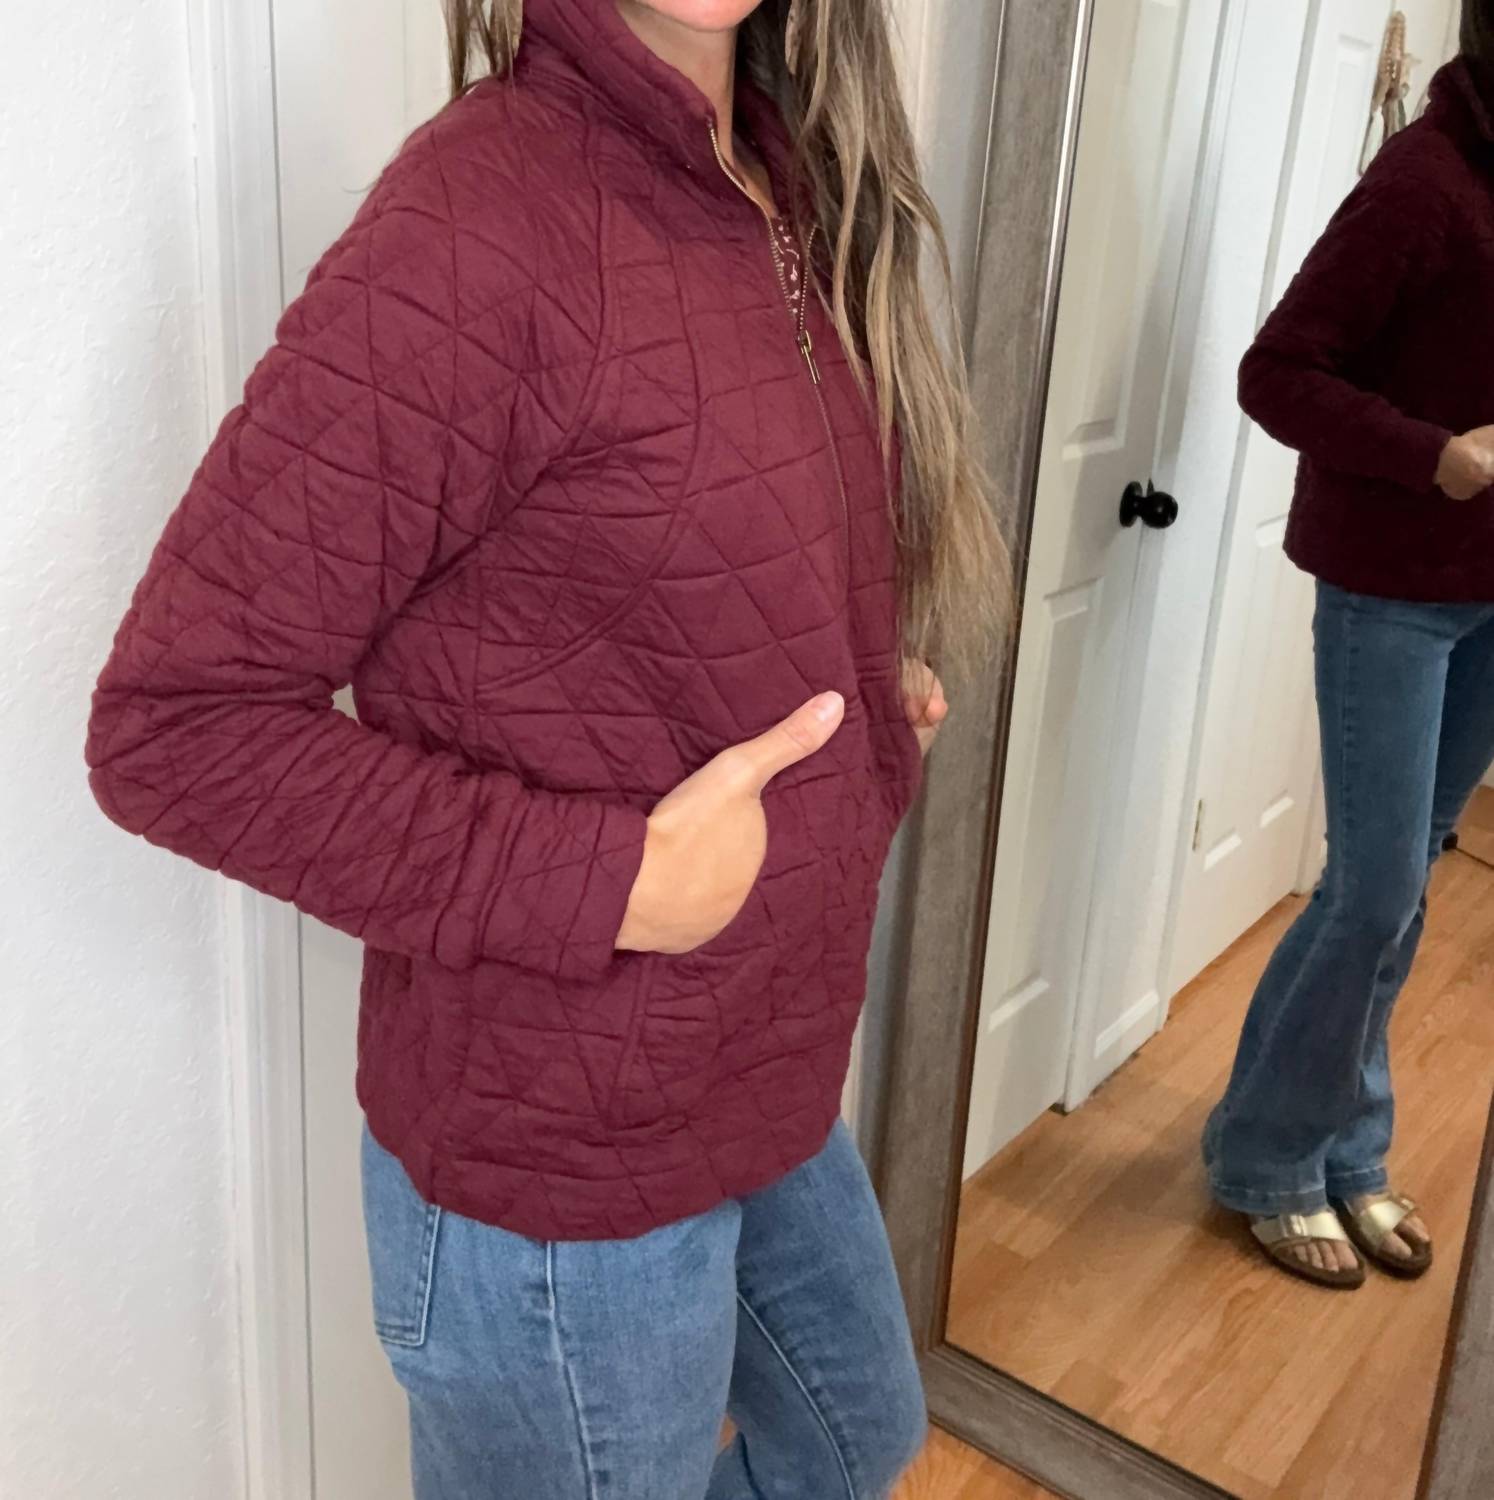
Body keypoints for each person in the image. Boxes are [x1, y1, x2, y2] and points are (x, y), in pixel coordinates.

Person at [84, 0, 1005, 1491]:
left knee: (854, 1436)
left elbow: (661, 555)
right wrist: (614, 879)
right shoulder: (482, 213)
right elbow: (176, 728)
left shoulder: (783, 185)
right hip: (559, 1168)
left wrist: (842, 669)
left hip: (751, 1065)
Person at [1203, 3, 1494, 1290]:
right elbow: (1277, 372)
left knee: (1407, 880)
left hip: (1492, 594)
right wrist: (1433, 455)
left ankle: (1345, 1146)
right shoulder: (1426, 182)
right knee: (1373, 889)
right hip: (1396, 589)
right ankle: (1269, 1155)